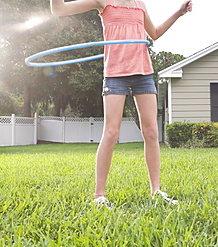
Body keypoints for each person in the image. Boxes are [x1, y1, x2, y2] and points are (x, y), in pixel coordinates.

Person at [50, 0, 193, 207]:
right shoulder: (103, 1)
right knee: (111, 133)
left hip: (143, 72)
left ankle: (156, 191)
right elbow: (59, 9)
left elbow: (154, 33)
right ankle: (99, 196)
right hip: (115, 74)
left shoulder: (140, 4)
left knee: (152, 132)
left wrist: (178, 13)